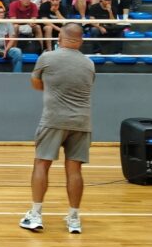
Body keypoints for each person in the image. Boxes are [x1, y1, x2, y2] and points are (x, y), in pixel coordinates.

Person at [19, 23, 95, 234]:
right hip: (82, 122)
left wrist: (52, 86)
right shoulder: (89, 63)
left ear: (60, 38)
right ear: (80, 41)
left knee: (41, 164)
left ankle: (35, 215)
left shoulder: (47, 58)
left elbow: (36, 84)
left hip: (53, 119)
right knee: (75, 170)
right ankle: (74, 218)